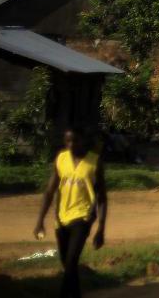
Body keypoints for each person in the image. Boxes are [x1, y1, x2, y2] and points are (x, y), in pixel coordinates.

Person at [35, 128, 107, 298]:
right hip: (60, 219)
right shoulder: (61, 159)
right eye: (68, 141)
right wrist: (40, 221)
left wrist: (101, 228)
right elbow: (49, 192)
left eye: (75, 141)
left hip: (83, 217)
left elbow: (102, 197)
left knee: (71, 261)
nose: (71, 145)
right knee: (68, 266)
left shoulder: (94, 162)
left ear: (83, 141)